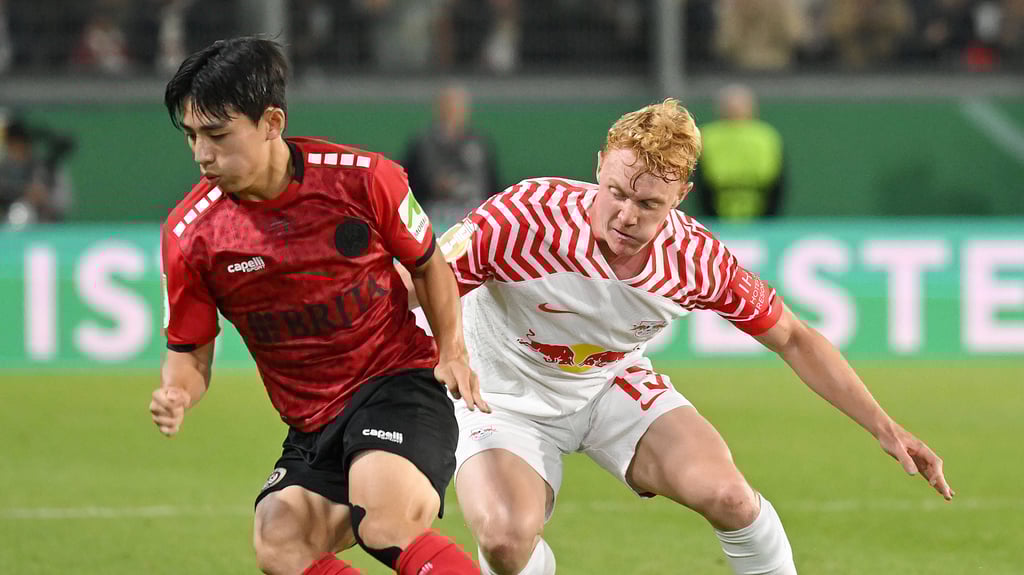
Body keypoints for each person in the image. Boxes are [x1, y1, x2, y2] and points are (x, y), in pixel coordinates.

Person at [424, 99, 953, 574]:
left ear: (681, 196)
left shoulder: (694, 260)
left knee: (729, 496)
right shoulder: (525, 217)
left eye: (649, 204)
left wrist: (884, 426)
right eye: (615, 192)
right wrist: (446, 350)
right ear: (598, 167)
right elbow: (430, 279)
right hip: (500, 396)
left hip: (610, 385)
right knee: (504, 540)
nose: (626, 215)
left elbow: (792, 337)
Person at [150, 36, 486, 575]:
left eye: (217, 135)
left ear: (272, 122)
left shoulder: (362, 178)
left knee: (384, 520)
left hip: (397, 383)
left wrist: (453, 350)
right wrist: (176, 392)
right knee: (279, 542)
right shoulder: (192, 235)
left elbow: (429, 266)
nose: (201, 154)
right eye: (191, 136)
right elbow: (190, 352)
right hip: (311, 422)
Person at [402, 84, 500, 224]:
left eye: (458, 107)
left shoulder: (480, 144)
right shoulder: (422, 144)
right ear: (439, 109)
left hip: (475, 214)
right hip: (434, 215)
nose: (454, 112)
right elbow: (407, 185)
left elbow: (493, 185)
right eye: (449, 107)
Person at [694, 84, 785, 220]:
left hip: (754, 210)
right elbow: (699, 180)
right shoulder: (707, 136)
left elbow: (777, 181)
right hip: (721, 210)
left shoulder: (766, 136)